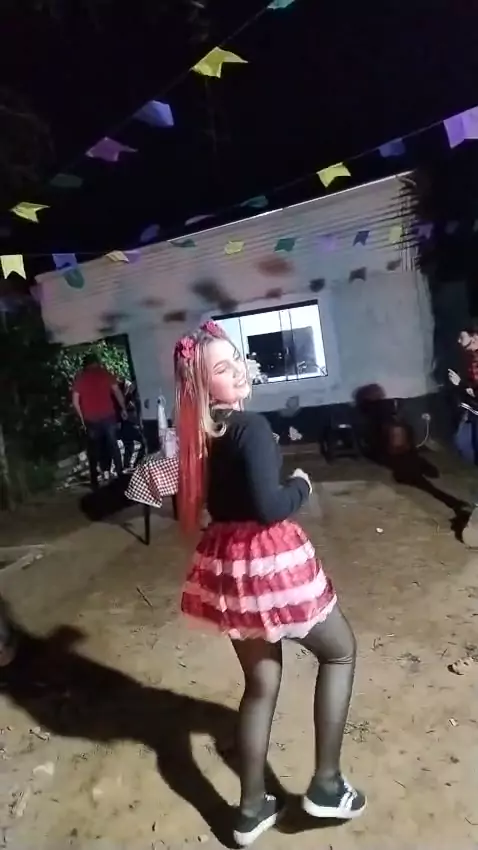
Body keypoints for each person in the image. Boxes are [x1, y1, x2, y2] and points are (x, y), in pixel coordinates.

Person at [174, 320, 365, 847]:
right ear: (203, 383)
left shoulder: (202, 434)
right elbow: (269, 506)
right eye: (222, 367)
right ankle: (327, 785)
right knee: (340, 652)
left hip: (229, 567)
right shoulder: (250, 427)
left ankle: (251, 808)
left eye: (236, 358)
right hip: (267, 561)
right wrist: (300, 487)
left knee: (261, 684)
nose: (238, 370)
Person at [72, 352, 126, 488]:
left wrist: (82, 418)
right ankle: (120, 474)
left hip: (91, 419)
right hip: (108, 416)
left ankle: (95, 479)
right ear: (97, 362)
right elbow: (117, 392)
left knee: (94, 449)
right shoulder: (105, 374)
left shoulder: (81, 379)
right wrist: (123, 408)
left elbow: (75, 401)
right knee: (113, 446)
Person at [448, 326, 478, 465]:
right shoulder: (470, 358)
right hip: (472, 409)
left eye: (462, 337)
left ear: (475, 337)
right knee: (462, 442)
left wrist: (460, 383)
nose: (458, 341)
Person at [116, 378, 146, 469]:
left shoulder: (129, 390)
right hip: (129, 422)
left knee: (130, 445)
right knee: (141, 443)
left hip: (128, 422)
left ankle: (128, 466)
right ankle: (135, 464)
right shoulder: (129, 391)